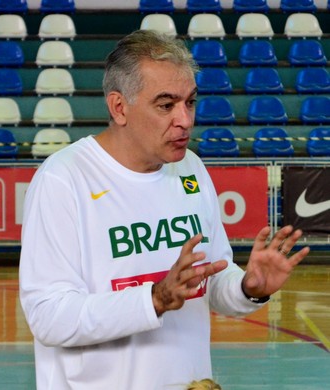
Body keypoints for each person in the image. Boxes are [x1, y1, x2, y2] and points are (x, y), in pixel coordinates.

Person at [19, 30, 310, 390]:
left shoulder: (190, 168)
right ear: (119, 107)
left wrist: (249, 287)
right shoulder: (64, 180)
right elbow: (49, 318)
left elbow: (211, 279)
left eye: (189, 102)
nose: (185, 120)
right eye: (166, 105)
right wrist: (153, 299)